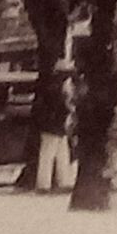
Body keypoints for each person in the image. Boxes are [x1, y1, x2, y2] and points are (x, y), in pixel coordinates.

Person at [32, 61, 76, 192]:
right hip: (53, 123)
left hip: (53, 123)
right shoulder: (57, 88)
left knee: (58, 153)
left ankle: (58, 182)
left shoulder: (54, 85)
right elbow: (62, 105)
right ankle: (46, 184)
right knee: (50, 153)